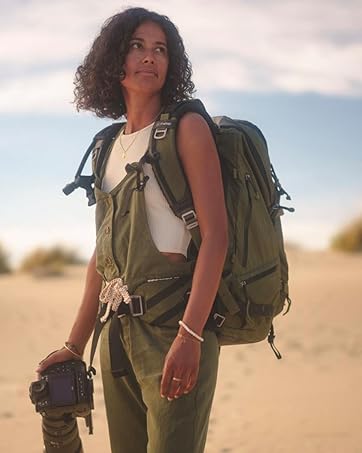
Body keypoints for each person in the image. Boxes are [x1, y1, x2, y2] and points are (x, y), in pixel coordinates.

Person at [36, 7, 228, 453]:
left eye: (160, 49)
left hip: (174, 332)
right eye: (137, 46)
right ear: (114, 61)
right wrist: (75, 344)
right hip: (116, 338)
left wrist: (190, 336)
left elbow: (217, 237)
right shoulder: (105, 146)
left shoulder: (187, 128)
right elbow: (103, 258)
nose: (149, 57)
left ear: (170, 63)